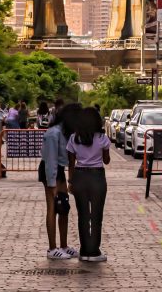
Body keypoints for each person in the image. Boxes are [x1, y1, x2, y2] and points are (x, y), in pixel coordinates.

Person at [67, 106, 110, 263]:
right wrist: (102, 152)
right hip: (97, 176)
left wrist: (70, 181)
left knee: (83, 215)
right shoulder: (102, 139)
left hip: (79, 175)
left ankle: (84, 250)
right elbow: (106, 160)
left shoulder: (73, 138)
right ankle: (94, 251)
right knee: (96, 216)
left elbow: (71, 163)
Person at [39, 103, 81, 260]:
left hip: (60, 169)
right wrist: (52, 183)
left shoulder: (66, 133)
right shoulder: (53, 133)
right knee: (52, 207)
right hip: (50, 170)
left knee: (63, 206)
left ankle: (64, 245)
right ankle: (52, 248)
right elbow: (50, 160)